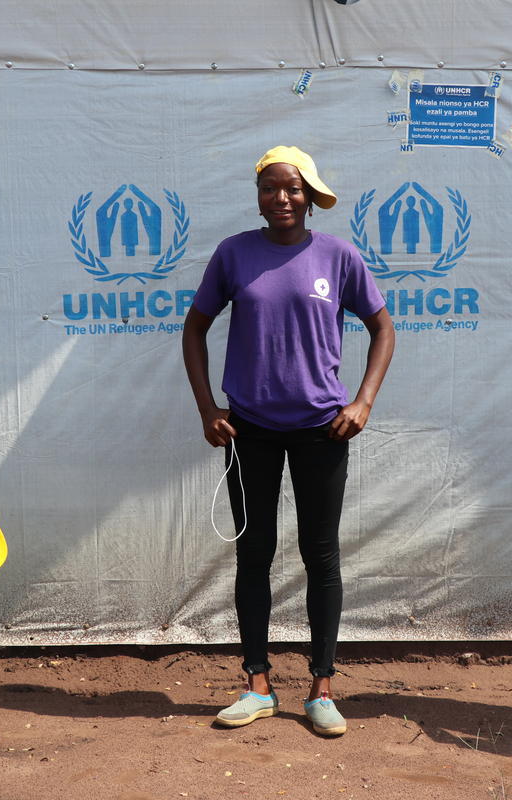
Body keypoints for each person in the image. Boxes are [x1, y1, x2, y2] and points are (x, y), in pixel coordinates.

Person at [182, 146, 395, 737]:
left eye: (294, 189)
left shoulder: (337, 255)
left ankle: (322, 688)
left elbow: (382, 326)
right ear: (258, 195)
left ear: (311, 196)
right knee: (254, 554)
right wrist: (208, 408)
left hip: (321, 430)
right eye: (272, 188)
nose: (282, 198)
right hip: (249, 430)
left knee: (320, 555)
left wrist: (363, 401)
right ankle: (257, 684)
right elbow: (195, 326)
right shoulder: (234, 254)